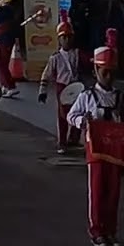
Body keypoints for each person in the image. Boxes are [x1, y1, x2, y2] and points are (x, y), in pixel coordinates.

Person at [67, 34, 124, 246]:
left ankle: (111, 231)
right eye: (105, 73)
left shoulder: (120, 97)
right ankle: (97, 231)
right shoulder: (87, 96)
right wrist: (82, 122)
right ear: (96, 72)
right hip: (95, 152)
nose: (109, 77)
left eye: (112, 73)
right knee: (97, 192)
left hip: (115, 152)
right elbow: (71, 116)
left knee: (114, 194)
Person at [37, 17, 81, 154]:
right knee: (63, 115)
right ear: (59, 39)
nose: (66, 40)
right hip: (62, 88)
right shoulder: (55, 57)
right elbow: (46, 74)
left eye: (69, 37)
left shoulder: (77, 54)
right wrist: (42, 91)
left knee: (78, 113)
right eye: (63, 37)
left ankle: (74, 139)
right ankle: (62, 142)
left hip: (76, 87)